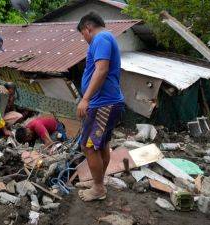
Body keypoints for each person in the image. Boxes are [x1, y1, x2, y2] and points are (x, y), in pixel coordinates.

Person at [76, 12, 125, 202]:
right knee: (101, 144)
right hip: (107, 102)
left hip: (102, 103)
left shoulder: (101, 37)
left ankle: (98, 188)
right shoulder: (106, 37)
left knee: (88, 147)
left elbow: (101, 69)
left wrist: (85, 99)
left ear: (88, 28)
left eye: (83, 34)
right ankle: (98, 182)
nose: (85, 39)